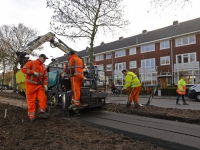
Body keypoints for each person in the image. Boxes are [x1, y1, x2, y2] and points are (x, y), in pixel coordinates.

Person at [21, 54, 49, 121]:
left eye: (45, 59)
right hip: (30, 85)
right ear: (39, 57)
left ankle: (42, 112)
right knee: (31, 101)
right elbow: (23, 70)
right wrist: (32, 72)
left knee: (43, 98)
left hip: (39, 86)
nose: (44, 60)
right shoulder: (31, 63)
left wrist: (45, 85)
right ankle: (32, 116)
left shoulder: (43, 67)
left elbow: (45, 77)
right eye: (44, 58)